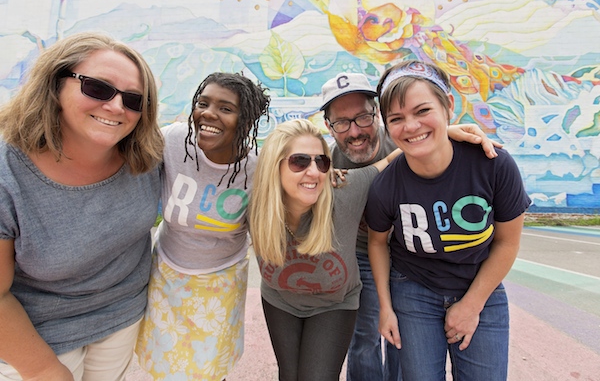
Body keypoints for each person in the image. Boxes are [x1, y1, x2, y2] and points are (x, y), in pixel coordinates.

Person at [0, 32, 164, 380]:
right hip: (36, 334)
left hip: (121, 317)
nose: (117, 106)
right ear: (55, 85)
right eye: (98, 88)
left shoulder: (147, 156)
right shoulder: (7, 175)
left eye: (135, 100)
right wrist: (43, 368)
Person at [319, 72, 500, 381]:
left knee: (404, 339)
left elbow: (427, 138)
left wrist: (449, 131)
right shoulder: (324, 161)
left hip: (409, 255)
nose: (354, 131)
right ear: (329, 126)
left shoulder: (402, 136)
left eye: (362, 117)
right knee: (364, 335)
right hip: (362, 252)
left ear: (376, 114)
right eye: (341, 122)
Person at [366, 60, 531, 380]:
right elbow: (377, 242)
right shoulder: (386, 185)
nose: (411, 126)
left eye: (422, 110)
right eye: (396, 119)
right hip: (413, 288)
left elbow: (507, 242)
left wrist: (472, 305)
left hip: (480, 283)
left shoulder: (494, 165)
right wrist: (385, 307)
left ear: (448, 106)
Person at [135, 72, 270, 379]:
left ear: (246, 120)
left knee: (207, 370)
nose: (208, 113)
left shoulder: (256, 169)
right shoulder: (172, 142)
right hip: (167, 277)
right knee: (165, 368)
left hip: (220, 283)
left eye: (225, 108)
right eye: (203, 103)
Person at [248, 118, 402, 381]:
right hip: (280, 299)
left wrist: (447, 133)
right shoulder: (253, 205)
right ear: (275, 165)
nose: (314, 172)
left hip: (334, 302)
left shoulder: (343, 193)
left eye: (321, 162)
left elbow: (390, 161)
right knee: (289, 375)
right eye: (299, 161)